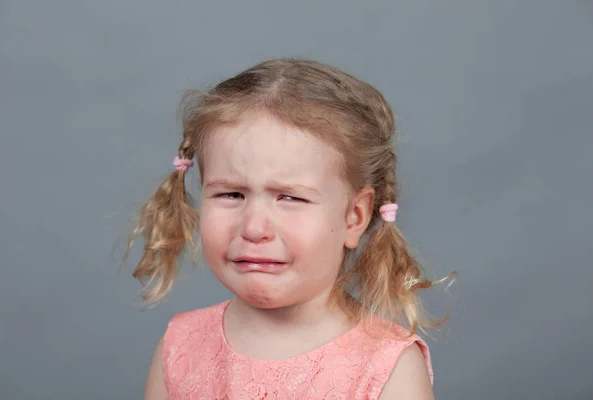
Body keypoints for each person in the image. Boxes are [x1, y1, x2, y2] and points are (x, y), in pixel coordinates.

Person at [125, 58, 454, 399]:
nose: (254, 228)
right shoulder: (179, 347)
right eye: (232, 194)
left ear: (353, 217)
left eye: (290, 198)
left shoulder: (388, 367)